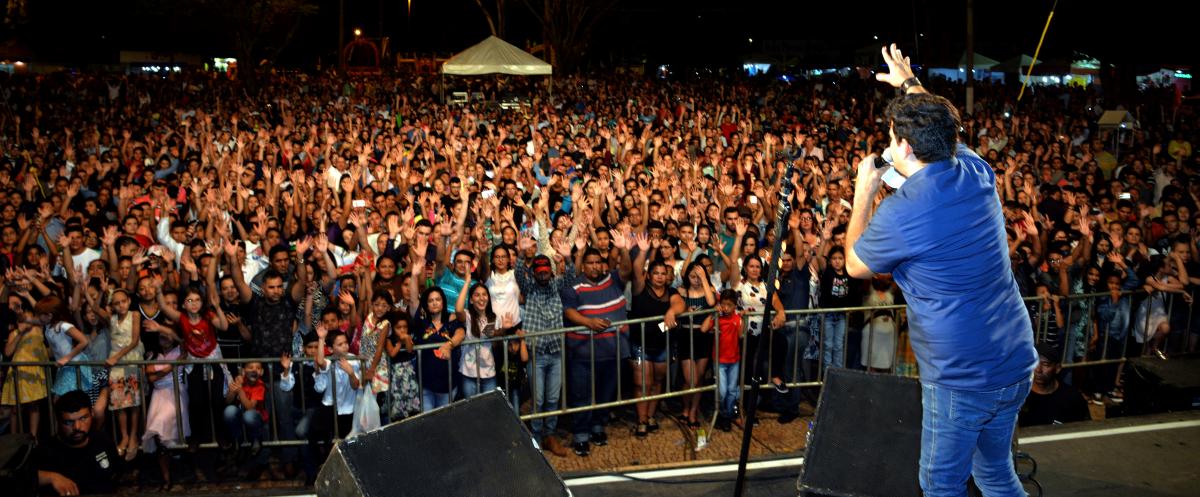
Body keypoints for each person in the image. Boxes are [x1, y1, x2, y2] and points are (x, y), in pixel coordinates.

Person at [846, 44, 1037, 497]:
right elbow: (941, 127)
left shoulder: (904, 209)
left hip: (961, 376)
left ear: (904, 147)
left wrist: (863, 192)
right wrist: (909, 83)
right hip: (1014, 358)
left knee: (940, 485)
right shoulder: (974, 169)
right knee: (995, 474)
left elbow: (854, 264)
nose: (889, 143)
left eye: (892, 136)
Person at [514, 251, 573, 457]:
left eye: (546, 271)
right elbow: (519, 274)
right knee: (538, 399)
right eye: (539, 272)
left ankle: (550, 435)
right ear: (534, 273)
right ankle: (537, 436)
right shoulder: (529, 288)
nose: (543, 275)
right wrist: (521, 255)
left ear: (551, 271)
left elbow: (570, 276)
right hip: (536, 353)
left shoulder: (556, 285)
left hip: (556, 352)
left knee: (553, 398)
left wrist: (568, 258)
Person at [35, 390, 122, 496]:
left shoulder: (102, 440)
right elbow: (21, 479)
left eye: (83, 418)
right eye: (69, 422)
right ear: (58, 421)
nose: (77, 427)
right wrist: (50, 477)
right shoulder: (47, 451)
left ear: (92, 414)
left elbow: (120, 476)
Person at [1019, 344, 1091, 427]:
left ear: (1057, 368)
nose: (1038, 370)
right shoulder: (1018, 396)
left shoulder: (1072, 399)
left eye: (1045, 364)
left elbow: (1086, 429)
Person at [702, 290, 742, 432]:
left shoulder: (737, 318)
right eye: (723, 304)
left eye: (729, 305)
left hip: (734, 360)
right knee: (723, 391)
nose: (726, 308)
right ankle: (722, 413)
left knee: (732, 390)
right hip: (719, 361)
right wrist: (713, 313)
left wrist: (741, 319)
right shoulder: (717, 317)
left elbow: (741, 335)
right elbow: (703, 329)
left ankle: (727, 415)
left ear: (735, 305)